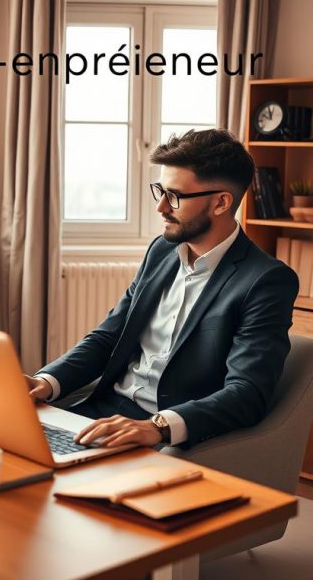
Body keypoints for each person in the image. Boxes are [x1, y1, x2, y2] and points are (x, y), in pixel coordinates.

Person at [25, 129, 299, 450]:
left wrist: (159, 426)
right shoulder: (162, 251)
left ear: (221, 202)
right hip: (103, 411)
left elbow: (247, 392)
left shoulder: (266, 281)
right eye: (160, 190)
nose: (161, 207)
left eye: (175, 196)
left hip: (164, 431)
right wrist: (43, 382)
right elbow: (109, 337)